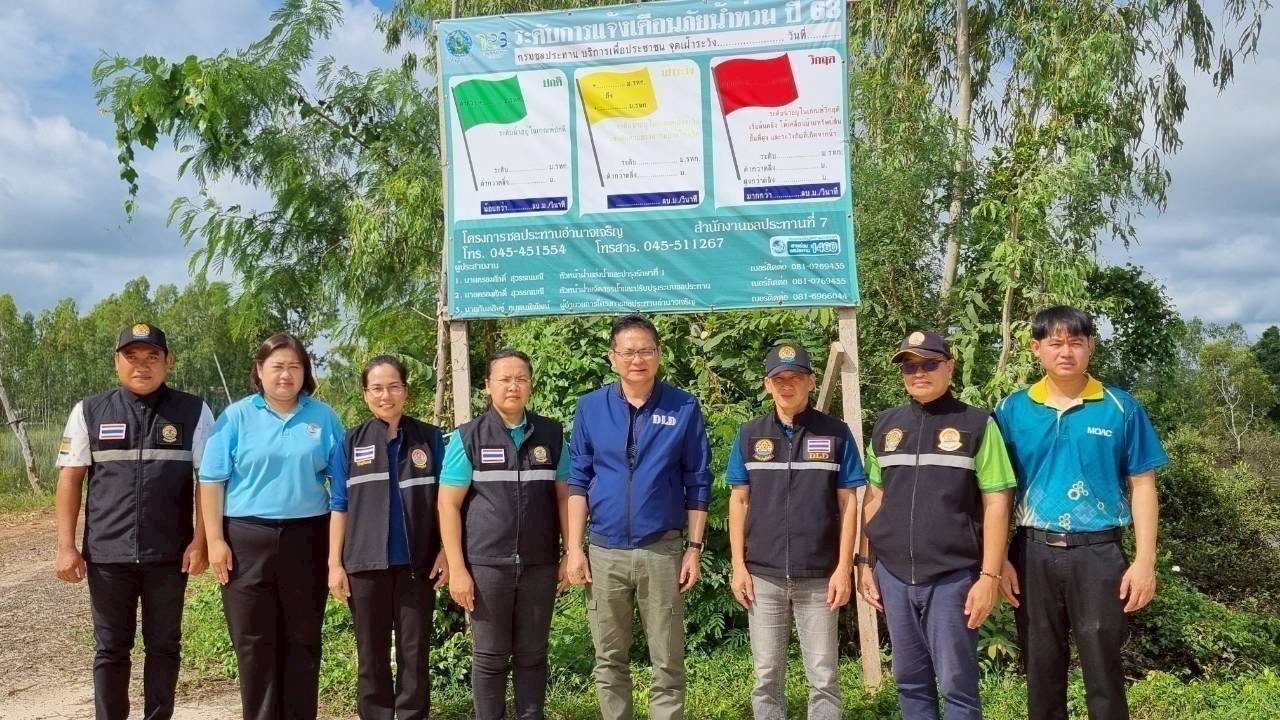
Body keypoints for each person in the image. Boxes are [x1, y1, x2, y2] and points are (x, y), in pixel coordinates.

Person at [994, 307, 1168, 720]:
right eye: (1055, 343)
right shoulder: (1011, 411)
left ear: (1090, 346)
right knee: (1040, 669)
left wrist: (1145, 561)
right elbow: (997, 491)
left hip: (1099, 555)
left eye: (1076, 342)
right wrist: (997, 559)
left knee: (1104, 667)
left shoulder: (1120, 408)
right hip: (1031, 552)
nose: (1066, 352)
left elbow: (1143, 486)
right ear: (1036, 348)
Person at [53, 322, 213, 720]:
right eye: (132, 357)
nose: (142, 365)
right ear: (116, 362)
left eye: (152, 356)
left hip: (169, 555)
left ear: (168, 361)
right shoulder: (89, 411)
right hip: (107, 555)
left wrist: (201, 541)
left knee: (164, 646)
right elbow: (70, 478)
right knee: (111, 649)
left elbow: (208, 482)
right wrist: (66, 547)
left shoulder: (194, 411)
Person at [856, 330, 1016, 720]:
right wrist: (864, 563)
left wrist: (989, 576)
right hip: (893, 576)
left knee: (957, 686)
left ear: (950, 367)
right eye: (909, 367)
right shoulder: (886, 425)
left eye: (929, 364)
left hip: (952, 578)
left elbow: (997, 502)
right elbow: (873, 497)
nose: (919, 373)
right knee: (909, 681)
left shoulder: (977, 424)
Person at [563, 313, 712, 720]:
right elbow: (578, 480)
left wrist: (693, 549)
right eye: (628, 352)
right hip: (604, 553)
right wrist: (574, 548)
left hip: (662, 551)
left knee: (668, 660)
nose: (637, 360)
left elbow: (698, 480)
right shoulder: (591, 407)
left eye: (646, 351)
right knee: (609, 660)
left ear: (659, 355)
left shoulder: (683, 406)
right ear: (612, 357)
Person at [198, 333, 347, 720]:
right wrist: (215, 540)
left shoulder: (323, 417)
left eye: (294, 367)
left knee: (303, 639)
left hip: (307, 538)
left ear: (305, 373)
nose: (286, 375)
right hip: (246, 540)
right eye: (277, 366)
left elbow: (342, 486)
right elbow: (211, 481)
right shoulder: (236, 417)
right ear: (260, 371)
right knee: (253, 642)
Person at [726, 343, 865, 720]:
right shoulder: (749, 434)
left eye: (796, 377)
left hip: (820, 576)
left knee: (824, 677)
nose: (787, 385)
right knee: (766, 676)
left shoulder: (836, 434)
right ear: (767, 384)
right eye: (779, 379)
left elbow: (849, 503)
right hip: (762, 576)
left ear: (811, 381)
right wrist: (738, 566)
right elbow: (739, 501)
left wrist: (844, 568)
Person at [437, 348, 571, 720]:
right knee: (490, 658)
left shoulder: (552, 434)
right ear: (488, 385)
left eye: (521, 379)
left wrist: (570, 551)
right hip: (486, 567)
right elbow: (448, 505)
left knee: (533, 655)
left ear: (531, 385)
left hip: (539, 564)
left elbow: (566, 497)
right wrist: (458, 569)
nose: (513, 386)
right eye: (505, 379)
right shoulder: (468, 437)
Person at [327, 355, 448, 720]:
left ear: (406, 391)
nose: (386, 396)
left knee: (415, 654)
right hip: (364, 567)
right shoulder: (350, 442)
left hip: (418, 566)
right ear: (365, 394)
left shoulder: (430, 438)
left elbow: (445, 501)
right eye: (377, 388)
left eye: (393, 387)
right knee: (371, 656)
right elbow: (339, 505)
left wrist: (445, 550)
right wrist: (335, 565)